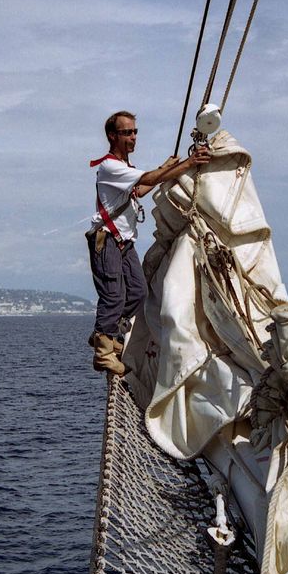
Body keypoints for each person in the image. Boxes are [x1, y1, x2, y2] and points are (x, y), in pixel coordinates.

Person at [86, 110, 211, 375]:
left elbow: (140, 189)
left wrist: (166, 168)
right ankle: (102, 353)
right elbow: (147, 180)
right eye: (126, 132)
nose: (132, 137)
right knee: (113, 296)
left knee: (138, 293)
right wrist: (188, 163)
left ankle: (105, 336)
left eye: (134, 132)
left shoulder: (125, 169)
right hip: (108, 240)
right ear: (112, 136)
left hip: (124, 241)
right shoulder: (110, 166)